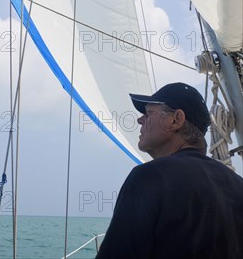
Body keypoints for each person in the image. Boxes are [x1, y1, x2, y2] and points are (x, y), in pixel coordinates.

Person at [95, 82, 243, 259]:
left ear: (175, 120)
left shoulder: (149, 177)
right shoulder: (237, 184)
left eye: (148, 113)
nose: (139, 120)